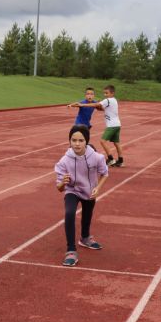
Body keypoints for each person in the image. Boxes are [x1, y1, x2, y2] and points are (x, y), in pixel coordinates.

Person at [55, 124, 109, 266]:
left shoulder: (96, 157)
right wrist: (63, 183)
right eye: (74, 140)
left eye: (81, 140)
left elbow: (104, 173)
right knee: (69, 213)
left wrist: (98, 188)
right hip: (72, 190)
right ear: (69, 141)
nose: (77, 144)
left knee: (87, 214)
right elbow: (59, 188)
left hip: (89, 190)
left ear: (86, 141)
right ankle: (71, 250)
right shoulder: (64, 161)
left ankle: (85, 238)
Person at [76, 85, 124, 167]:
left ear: (112, 93)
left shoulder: (108, 100)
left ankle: (111, 159)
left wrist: (83, 105)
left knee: (102, 141)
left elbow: (96, 104)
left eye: (107, 93)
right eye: (104, 93)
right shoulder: (114, 100)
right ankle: (120, 160)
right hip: (117, 125)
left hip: (111, 126)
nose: (105, 95)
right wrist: (98, 106)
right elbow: (101, 107)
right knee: (116, 143)